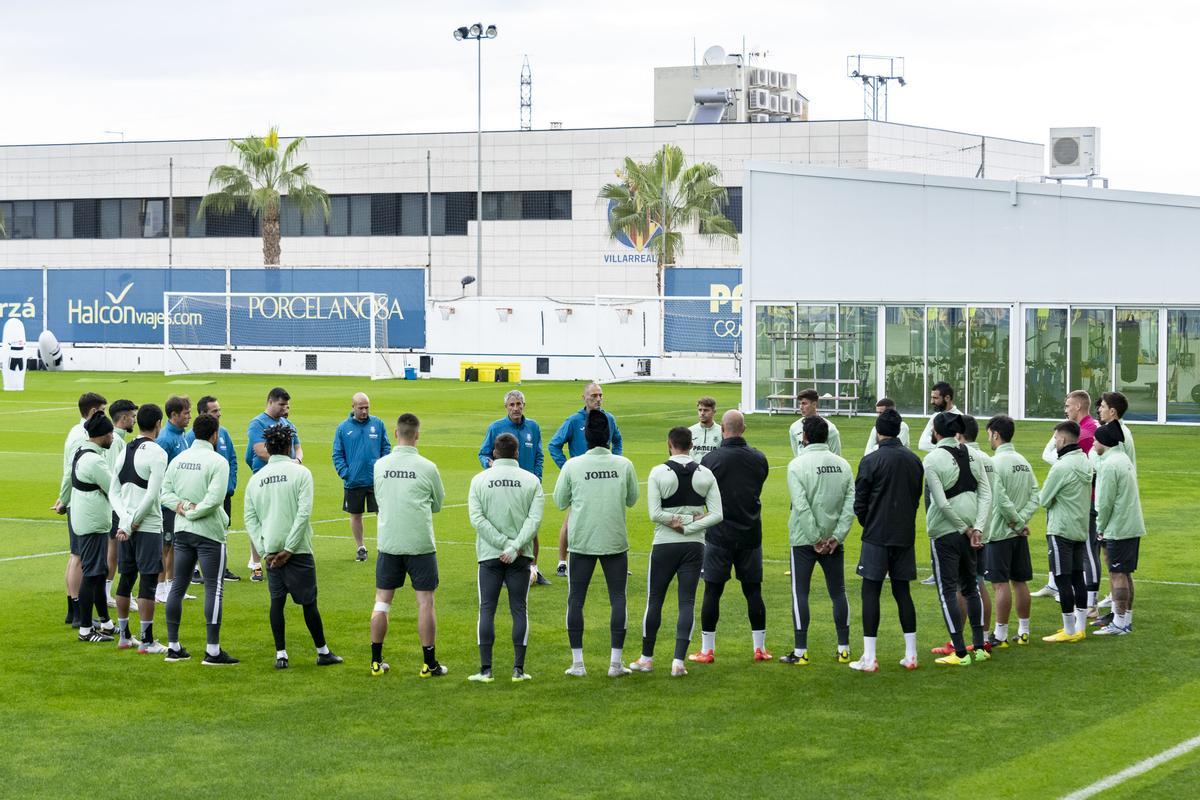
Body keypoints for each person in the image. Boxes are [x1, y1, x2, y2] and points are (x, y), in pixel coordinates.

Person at [244, 424, 343, 669]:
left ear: (267, 448)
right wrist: (289, 548)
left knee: (277, 603)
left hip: (271, 552)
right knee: (309, 603)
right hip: (298, 550)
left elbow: (250, 519)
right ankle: (322, 652)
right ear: (289, 446)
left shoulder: (256, 480)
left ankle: (281, 655)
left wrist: (265, 550)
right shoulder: (301, 473)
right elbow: (303, 514)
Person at [630, 427, 722, 678]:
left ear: (669, 444)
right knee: (687, 602)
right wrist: (690, 523)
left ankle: (647, 658)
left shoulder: (658, 472)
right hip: (694, 545)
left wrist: (679, 523)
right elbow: (717, 514)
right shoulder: (705, 474)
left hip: (664, 544)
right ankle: (678, 662)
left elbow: (655, 514)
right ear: (691, 445)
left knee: (655, 600)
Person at [553, 409, 639, 678]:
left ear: (586, 437)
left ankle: (578, 664)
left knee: (576, 600)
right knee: (618, 599)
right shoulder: (624, 464)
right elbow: (632, 499)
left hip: (582, 540)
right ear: (609, 436)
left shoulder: (573, 465)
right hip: (614, 539)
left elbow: (559, 501)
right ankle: (615, 663)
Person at [690, 410, 771, 664]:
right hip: (750, 533)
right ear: (743, 429)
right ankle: (760, 648)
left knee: (712, 591)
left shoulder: (710, 459)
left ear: (722, 430)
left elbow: (700, 492)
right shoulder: (759, 458)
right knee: (753, 590)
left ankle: (707, 650)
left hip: (719, 534)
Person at [370, 413, 447, 678]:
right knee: (425, 602)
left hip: (389, 541)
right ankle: (429, 663)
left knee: (382, 601)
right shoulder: (428, 467)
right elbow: (437, 504)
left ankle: (376, 661)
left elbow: (379, 497)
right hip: (419, 543)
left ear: (396, 433)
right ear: (417, 435)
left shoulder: (380, 465)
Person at [467, 433, 545, 683]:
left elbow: (477, 519)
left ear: (494, 453)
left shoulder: (479, 480)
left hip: (489, 554)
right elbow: (534, 520)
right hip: (520, 555)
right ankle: (518, 670)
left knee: (486, 609)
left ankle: (486, 670)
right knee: (519, 609)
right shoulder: (531, 481)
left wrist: (503, 544)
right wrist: (515, 546)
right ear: (517, 453)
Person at [850, 408, 924, 672]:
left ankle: (870, 657)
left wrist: (869, 522)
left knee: (870, 591)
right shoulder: (914, 460)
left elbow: (859, 501)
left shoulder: (871, 460)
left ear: (878, 431)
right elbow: (916, 497)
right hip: (903, 533)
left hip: (877, 534)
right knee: (902, 592)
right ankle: (911, 654)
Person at [160, 413, 236, 665]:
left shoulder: (179, 459)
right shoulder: (218, 461)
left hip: (182, 530)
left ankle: (173, 646)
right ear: (215, 435)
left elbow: (164, 493)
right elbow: (215, 499)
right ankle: (212, 650)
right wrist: (194, 512)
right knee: (214, 588)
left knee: (178, 586)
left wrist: (183, 508)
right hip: (209, 532)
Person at [782, 416, 854, 667]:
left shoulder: (796, 464)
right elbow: (849, 506)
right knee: (838, 592)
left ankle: (801, 651)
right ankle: (844, 649)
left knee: (800, 593)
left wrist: (814, 538)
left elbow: (801, 505)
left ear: (804, 437)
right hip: (833, 540)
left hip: (804, 539)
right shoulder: (843, 465)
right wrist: (837, 536)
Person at [923, 412, 992, 666]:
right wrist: (977, 528)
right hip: (972, 530)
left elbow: (941, 503)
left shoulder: (932, 459)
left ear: (936, 432)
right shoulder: (974, 454)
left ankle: (960, 652)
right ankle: (980, 647)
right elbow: (986, 494)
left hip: (946, 531)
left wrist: (965, 528)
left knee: (947, 591)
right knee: (971, 587)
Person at [110, 403, 169, 653]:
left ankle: (124, 636)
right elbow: (152, 494)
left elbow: (113, 491)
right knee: (148, 580)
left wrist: (125, 520)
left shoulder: (125, 449)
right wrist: (134, 522)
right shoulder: (158, 453)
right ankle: (146, 640)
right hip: (147, 525)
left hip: (125, 525)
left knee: (126, 578)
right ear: (158, 424)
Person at [549, 382, 622, 577]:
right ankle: (562, 561)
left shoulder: (609, 419)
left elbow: (617, 440)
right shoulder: (574, 421)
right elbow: (554, 445)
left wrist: (616, 461)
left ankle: (616, 559)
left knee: (609, 515)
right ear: (584, 398)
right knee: (571, 518)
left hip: (604, 477)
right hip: (582, 479)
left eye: (600, 395)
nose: (598, 399)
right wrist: (566, 468)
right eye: (594, 396)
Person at [478, 389, 549, 586]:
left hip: (526, 488)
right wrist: (490, 464)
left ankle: (534, 569)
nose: (516, 408)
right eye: (512, 405)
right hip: (503, 487)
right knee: (504, 525)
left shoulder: (533, 427)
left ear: (524, 405)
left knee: (532, 529)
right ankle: (502, 571)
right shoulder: (496, 428)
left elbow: (539, 455)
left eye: (519, 404)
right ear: (506, 407)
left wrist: (537, 478)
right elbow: (483, 453)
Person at [1034, 391, 1099, 605]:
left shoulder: (1086, 432)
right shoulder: (1083, 428)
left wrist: (1061, 463)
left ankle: (1089, 597)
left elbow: (1052, 456)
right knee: (1070, 547)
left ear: (1078, 406)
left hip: (1079, 498)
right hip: (1076, 495)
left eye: (1068, 406)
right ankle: (1056, 584)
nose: (1065, 410)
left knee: (1084, 549)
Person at [982, 415, 1039, 647]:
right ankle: (1024, 631)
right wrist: (1022, 521)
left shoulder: (994, 463)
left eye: (988, 434)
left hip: (999, 532)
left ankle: (1001, 634)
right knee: (1020, 581)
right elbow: (1036, 494)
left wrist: (1016, 521)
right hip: (1018, 534)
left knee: (999, 584)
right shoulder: (1023, 461)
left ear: (995, 434)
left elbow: (1000, 499)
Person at [53, 391, 107, 628]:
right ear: (93, 411)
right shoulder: (82, 437)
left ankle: (72, 609)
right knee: (78, 556)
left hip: (77, 501)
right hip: (81, 502)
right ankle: (77, 611)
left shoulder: (76, 432)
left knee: (76, 555)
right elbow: (70, 471)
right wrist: (63, 499)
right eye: (102, 411)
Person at [1037, 420, 1094, 644]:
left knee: (1062, 578)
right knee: (1078, 577)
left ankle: (1069, 630)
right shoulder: (1086, 462)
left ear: (1061, 439)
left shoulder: (1061, 467)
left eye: (1055, 439)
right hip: (1080, 527)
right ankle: (1080, 627)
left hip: (1060, 528)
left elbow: (1044, 499)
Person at [67, 412, 119, 642]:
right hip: (93, 522)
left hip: (87, 518)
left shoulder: (81, 451)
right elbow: (113, 488)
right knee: (92, 574)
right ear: (102, 435)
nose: (113, 438)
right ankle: (86, 630)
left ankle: (105, 623)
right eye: (111, 434)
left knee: (98, 572)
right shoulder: (95, 461)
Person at [1092, 421, 1144, 636]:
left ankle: (1119, 623)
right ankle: (1125, 620)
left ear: (1104, 442)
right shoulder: (1123, 459)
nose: (1093, 444)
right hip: (1131, 525)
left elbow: (1105, 502)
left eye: (1095, 440)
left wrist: (1100, 526)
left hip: (1118, 527)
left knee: (1117, 573)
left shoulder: (1109, 465)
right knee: (1125, 573)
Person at [245, 387, 303, 582]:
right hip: (266, 478)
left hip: (288, 477)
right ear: (270, 402)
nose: (285, 409)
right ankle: (256, 563)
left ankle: (285, 556)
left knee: (286, 517)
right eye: (281, 405)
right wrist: (285, 462)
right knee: (260, 519)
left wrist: (297, 461)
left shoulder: (287, 423)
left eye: (287, 405)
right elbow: (259, 451)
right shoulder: (258, 423)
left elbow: (298, 447)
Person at [185, 395, 240, 583]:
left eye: (219, 410)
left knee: (222, 527)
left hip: (223, 493)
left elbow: (232, 459)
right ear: (203, 413)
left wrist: (230, 485)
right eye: (215, 411)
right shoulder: (191, 436)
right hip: (201, 493)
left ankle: (221, 567)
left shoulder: (223, 433)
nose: (219, 414)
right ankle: (193, 569)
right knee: (197, 528)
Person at [333, 392, 391, 562]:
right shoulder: (343, 428)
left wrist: (382, 468)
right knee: (356, 515)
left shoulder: (378, 424)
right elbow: (337, 453)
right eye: (361, 408)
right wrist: (345, 473)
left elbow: (386, 447)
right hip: (354, 480)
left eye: (367, 407)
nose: (364, 411)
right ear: (353, 407)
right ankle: (361, 547)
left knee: (382, 513)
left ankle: (385, 546)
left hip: (375, 480)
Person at [1093, 391, 1135, 619]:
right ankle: (1120, 615)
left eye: (1102, 406)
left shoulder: (1119, 437)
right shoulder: (1114, 433)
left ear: (1113, 411)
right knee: (1117, 567)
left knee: (1116, 567)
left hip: (1117, 514)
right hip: (1120, 511)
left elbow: (1114, 481)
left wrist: (1102, 524)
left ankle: (1119, 617)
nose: (1099, 409)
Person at [957, 416, 994, 637]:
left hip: (969, 529)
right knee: (979, 582)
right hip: (985, 527)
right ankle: (985, 636)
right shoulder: (987, 458)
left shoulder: (964, 457)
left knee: (964, 586)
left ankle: (958, 640)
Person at [155, 395, 193, 604]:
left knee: (175, 544)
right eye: (186, 413)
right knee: (166, 545)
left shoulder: (181, 435)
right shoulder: (165, 439)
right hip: (167, 502)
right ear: (174, 415)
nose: (189, 416)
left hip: (179, 500)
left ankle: (172, 585)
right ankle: (160, 587)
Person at [104, 399, 137, 609]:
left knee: (116, 548)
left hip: (113, 501)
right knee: (117, 548)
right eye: (132, 416)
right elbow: (114, 474)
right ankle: (110, 592)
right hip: (116, 503)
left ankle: (109, 592)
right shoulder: (116, 441)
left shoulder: (117, 439)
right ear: (124, 418)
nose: (134, 420)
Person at [788, 388, 842, 456]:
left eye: (804, 404)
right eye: (800, 404)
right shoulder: (794, 427)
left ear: (814, 404)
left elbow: (836, 455)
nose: (801, 407)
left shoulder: (830, 428)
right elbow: (796, 455)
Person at [917, 382, 962, 452]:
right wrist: (947, 449)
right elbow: (923, 444)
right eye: (932, 397)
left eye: (935, 398)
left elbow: (963, 446)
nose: (932, 402)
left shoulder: (961, 419)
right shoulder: (935, 416)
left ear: (947, 398)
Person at [689, 396, 722, 463]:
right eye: (700, 410)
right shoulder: (690, 431)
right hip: (694, 469)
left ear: (714, 412)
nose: (702, 413)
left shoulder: (721, 432)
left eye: (706, 410)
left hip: (713, 469)